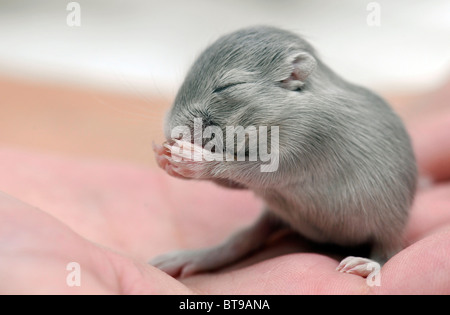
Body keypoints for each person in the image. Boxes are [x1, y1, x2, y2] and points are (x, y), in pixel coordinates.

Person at [0, 81, 449, 294]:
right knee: (261, 222)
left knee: (383, 222)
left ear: (294, 78)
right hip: (295, 207)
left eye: (228, 88)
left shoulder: (317, 122)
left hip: (365, 209)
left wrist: (212, 164)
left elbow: (283, 168)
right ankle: (212, 256)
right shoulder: (267, 125)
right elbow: (257, 176)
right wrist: (206, 169)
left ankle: (378, 256)